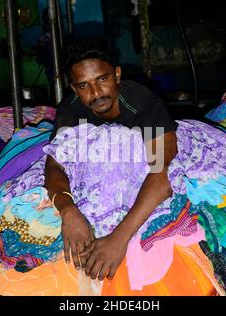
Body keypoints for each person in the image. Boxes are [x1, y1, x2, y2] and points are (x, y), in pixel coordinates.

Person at [44, 37, 179, 281]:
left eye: (102, 79)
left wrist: (119, 239)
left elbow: (162, 175)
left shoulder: (143, 104)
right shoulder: (72, 109)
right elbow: (54, 166)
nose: (96, 93)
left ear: (116, 74)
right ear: (74, 88)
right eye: (83, 86)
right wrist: (68, 210)